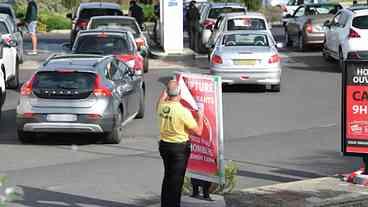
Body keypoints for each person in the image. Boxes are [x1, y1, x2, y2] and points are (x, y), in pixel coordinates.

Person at [157, 79, 204, 207]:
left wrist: (169, 85)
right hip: (179, 149)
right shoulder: (182, 111)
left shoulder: (161, 106)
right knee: (176, 182)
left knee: (167, 178)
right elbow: (198, 131)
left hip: (164, 146)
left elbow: (162, 97)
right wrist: (200, 116)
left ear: (167, 92)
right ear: (180, 94)